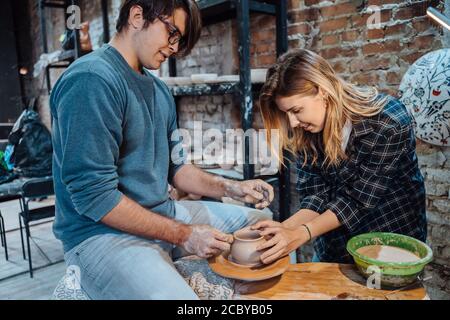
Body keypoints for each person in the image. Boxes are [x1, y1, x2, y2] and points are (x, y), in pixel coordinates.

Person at [50, 0, 274, 300]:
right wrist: (186, 234)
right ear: (137, 16)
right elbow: (94, 197)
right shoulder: (92, 80)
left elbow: (177, 169)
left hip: (163, 215)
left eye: (179, 40)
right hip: (101, 236)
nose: (174, 47)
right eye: (172, 33)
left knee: (264, 226)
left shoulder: (159, 91)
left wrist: (232, 187)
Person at [253, 49, 427, 264]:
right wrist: (284, 228)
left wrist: (300, 234)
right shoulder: (307, 130)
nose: (292, 123)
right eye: (286, 113)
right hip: (334, 245)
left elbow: (358, 201)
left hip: (388, 242)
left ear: (322, 91)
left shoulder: (388, 121)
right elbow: (316, 194)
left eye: (296, 110)